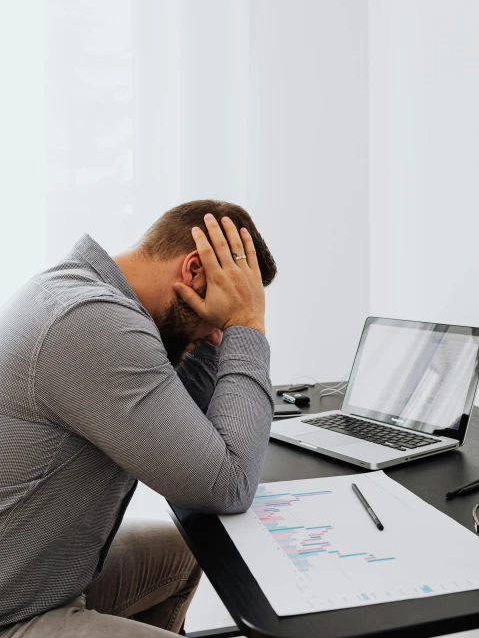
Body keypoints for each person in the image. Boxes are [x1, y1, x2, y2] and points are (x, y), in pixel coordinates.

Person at [0, 200, 277, 637]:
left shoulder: (89, 292)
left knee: (183, 555)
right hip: (14, 611)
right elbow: (229, 483)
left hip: (41, 576)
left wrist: (211, 334)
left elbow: (196, 425)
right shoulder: (92, 322)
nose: (219, 330)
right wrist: (248, 325)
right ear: (194, 272)